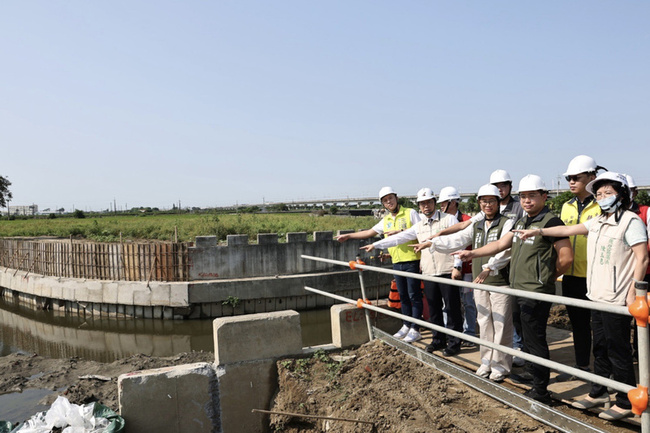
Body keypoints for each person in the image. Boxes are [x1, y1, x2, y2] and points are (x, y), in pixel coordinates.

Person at [515, 172, 648, 421]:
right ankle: (598, 392)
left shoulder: (631, 222)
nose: (603, 198)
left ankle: (624, 400)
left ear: (622, 194)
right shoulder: (598, 221)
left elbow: (642, 258)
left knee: (617, 349)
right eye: (598, 194)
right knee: (599, 347)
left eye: (608, 193)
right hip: (596, 294)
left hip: (618, 297)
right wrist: (538, 233)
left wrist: (633, 292)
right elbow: (568, 229)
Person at [454, 175, 573, 404]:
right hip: (518, 289)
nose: (527, 201)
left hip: (535, 292)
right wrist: (472, 254)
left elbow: (566, 258)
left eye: (532, 196)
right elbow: (499, 245)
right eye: (524, 197)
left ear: (544, 196)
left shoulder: (551, 222)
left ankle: (541, 390)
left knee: (535, 339)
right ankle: (534, 379)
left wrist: (545, 278)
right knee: (526, 339)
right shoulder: (522, 222)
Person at [414, 184, 514, 382]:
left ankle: (501, 364)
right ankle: (487, 361)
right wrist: (432, 243)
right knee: (484, 322)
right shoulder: (477, 225)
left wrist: (489, 267)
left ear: (498, 202)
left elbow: (505, 251)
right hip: (479, 280)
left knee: (501, 324)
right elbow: (458, 239)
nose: (488, 205)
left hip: (499, 280)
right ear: (479, 203)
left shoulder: (507, 223)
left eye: (491, 201)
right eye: (484, 201)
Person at [360, 188, 463, 355]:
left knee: (452, 308)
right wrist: (376, 245)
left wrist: (457, 266)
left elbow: (460, 243)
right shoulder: (419, 225)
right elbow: (399, 238)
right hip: (429, 271)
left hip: (446, 270)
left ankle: (455, 342)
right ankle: (438, 340)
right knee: (434, 308)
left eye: (429, 202)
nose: (426, 206)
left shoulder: (449, 220)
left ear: (434, 203)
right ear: (420, 206)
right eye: (422, 204)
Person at [337, 187, 422, 343]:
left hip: (412, 259)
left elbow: (421, 231)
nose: (388, 202)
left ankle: (415, 328)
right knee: (403, 296)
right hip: (396, 261)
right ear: (383, 204)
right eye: (385, 200)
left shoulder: (411, 213)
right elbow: (370, 232)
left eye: (390, 198)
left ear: (396, 198)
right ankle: (406, 324)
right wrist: (349, 236)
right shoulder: (386, 220)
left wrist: (400, 231)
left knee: (414, 295)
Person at [556, 155, 604, 381]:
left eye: (577, 178)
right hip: (572, 276)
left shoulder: (602, 205)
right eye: (569, 178)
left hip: (596, 277)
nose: (571, 182)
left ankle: (605, 372)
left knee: (601, 327)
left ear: (592, 177)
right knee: (579, 324)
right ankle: (582, 366)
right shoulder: (566, 207)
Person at [438, 186, 477, 346]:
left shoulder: (468, 220)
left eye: (444, 203)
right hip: (446, 269)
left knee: (468, 302)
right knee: (447, 303)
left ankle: (469, 333)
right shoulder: (441, 221)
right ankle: (451, 332)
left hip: (467, 270)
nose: (441, 206)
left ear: (453, 202)